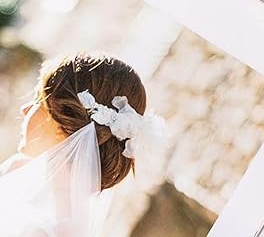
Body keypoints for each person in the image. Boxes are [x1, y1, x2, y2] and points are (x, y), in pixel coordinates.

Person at [0, 53, 160, 237]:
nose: (24, 109)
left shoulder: (52, 228)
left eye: (39, 101)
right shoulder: (17, 169)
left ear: (63, 126)